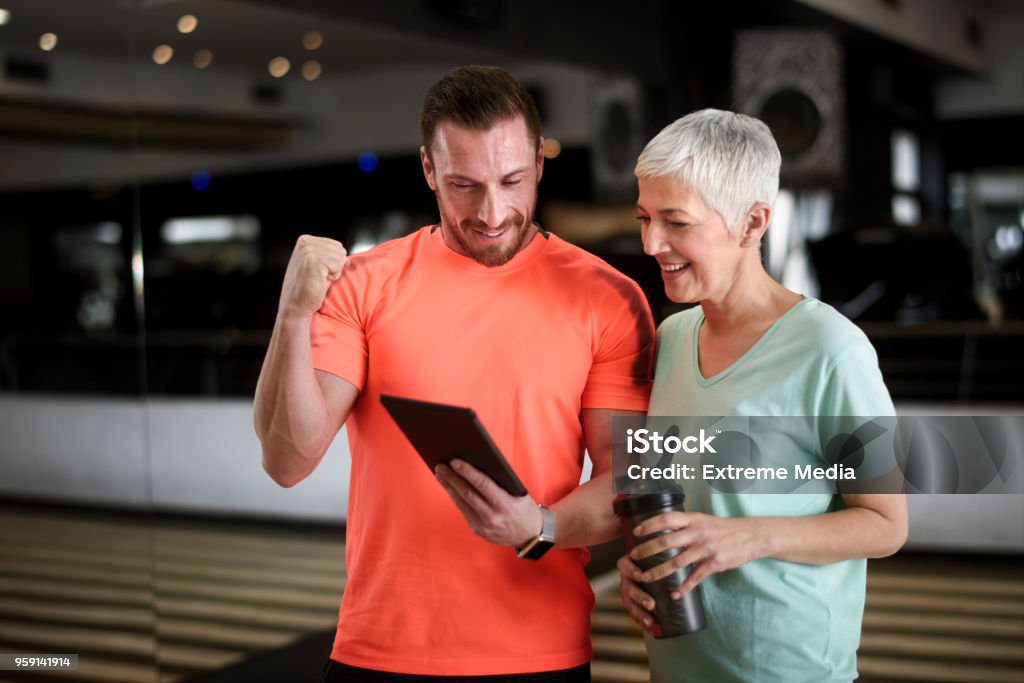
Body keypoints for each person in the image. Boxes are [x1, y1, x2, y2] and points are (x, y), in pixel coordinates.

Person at [253, 65, 655, 681]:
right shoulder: (364, 284)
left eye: (513, 181)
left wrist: (539, 526)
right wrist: (293, 310)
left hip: (539, 650)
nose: (493, 211)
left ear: (540, 166)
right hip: (380, 648)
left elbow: (626, 483)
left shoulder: (609, 299)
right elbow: (288, 461)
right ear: (428, 170)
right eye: (465, 185)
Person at [617, 109, 908, 682]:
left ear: (752, 223)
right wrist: (637, 565)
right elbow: (659, 491)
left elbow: (884, 524)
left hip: (788, 668)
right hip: (678, 666)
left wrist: (750, 537)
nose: (652, 243)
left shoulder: (831, 349)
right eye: (644, 217)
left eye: (676, 221)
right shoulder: (671, 338)